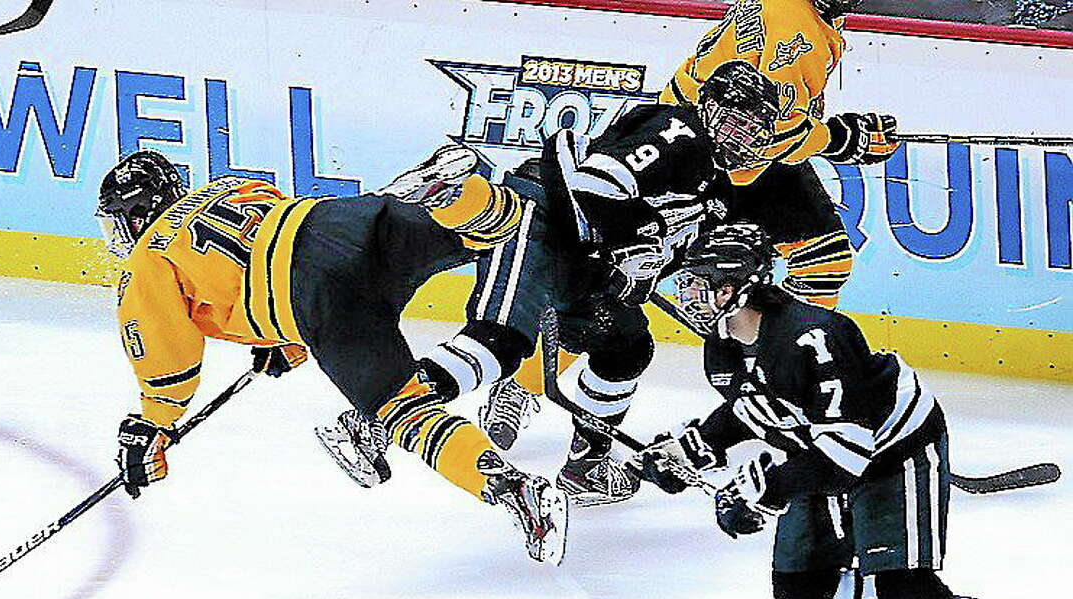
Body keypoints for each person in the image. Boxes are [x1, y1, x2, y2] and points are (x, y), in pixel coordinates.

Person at [635, 223, 1041, 599]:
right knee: (803, 591)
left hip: (894, 450)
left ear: (743, 286)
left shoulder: (814, 337)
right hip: (825, 453)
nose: (688, 295)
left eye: (703, 283)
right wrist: (694, 450)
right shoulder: (724, 347)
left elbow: (850, 456)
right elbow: (756, 408)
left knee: (903, 589)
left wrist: (766, 491)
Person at [343, 60, 782, 508]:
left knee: (626, 348)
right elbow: (591, 183)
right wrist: (635, 238)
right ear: (708, 107)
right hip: (539, 221)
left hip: (586, 263)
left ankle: (586, 465)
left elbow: (667, 247)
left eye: (753, 132)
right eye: (736, 123)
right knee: (497, 342)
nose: (743, 139)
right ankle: (374, 415)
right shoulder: (679, 132)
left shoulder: (715, 185)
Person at [100, 148, 568, 565]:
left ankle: (517, 491)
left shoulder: (147, 262)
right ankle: (470, 201)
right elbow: (262, 249)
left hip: (318, 295)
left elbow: (169, 359)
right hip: (342, 222)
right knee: (473, 238)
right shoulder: (225, 188)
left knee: (401, 410)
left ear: (135, 215)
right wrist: (278, 340)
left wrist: (153, 424)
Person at [479, 0, 900, 457]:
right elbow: (764, 133)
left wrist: (837, 132)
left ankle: (784, 376)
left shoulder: (794, 9)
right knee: (815, 257)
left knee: (632, 272)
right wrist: (844, 139)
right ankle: (792, 379)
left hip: (698, 142)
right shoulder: (798, 28)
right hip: (723, 159)